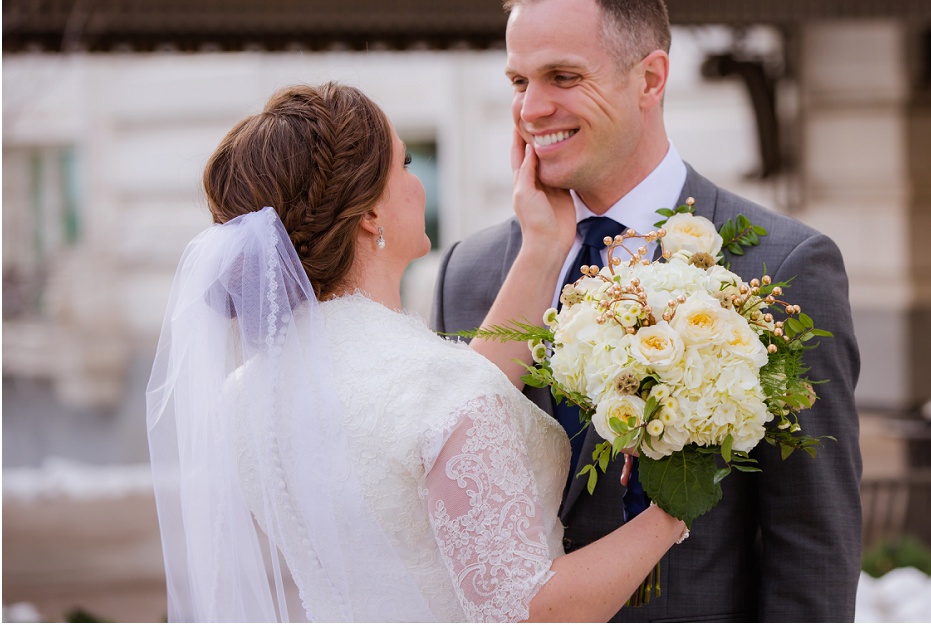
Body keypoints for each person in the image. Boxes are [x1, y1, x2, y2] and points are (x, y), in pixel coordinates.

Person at [146, 81, 688, 623]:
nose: (417, 184)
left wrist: (543, 246)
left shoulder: (244, 395)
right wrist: (673, 510)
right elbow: (531, 611)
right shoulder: (436, 388)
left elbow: (431, 414)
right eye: (406, 165)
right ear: (370, 217)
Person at [432, 0, 863, 622]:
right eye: (519, 82)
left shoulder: (781, 267)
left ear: (651, 77)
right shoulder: (470, 274)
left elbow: (813, 543)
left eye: (563, 76)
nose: (532, 109)